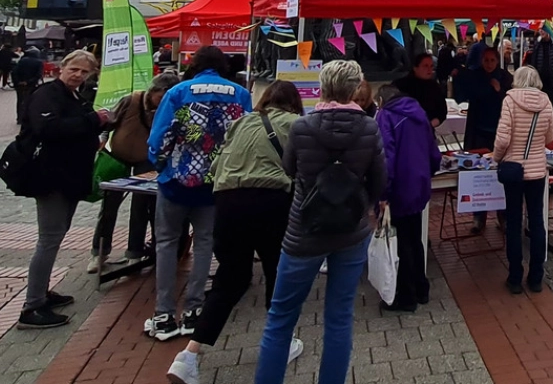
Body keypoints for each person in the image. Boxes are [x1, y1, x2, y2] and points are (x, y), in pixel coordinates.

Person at [253, 60, 386, 384]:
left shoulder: (302, 126)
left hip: (304, 231)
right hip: (351, 232)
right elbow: (381, 182)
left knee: (281, 318)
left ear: (323, 86)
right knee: (339, 319)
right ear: (355, 89)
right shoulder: (369, 127)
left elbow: (288, 169)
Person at [167, 82, 306, 384]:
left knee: (230, 280)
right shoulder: (297, 124)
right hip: (272, 201)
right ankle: (282, 342)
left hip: (228, 203)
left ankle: (188, 356)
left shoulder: (241, 122)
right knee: (277, 272)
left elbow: (217, 163)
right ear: (294, 102)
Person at [144, 45, 253, 341]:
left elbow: (160, 136)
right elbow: (245, 136)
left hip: (176, 180)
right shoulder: (240, 95)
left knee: (166, 243)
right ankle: (194, 309)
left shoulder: (178, 92)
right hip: (215, 180)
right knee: (205, 242)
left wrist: (161, 163)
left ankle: (164, 313)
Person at [17, 50, 110, 329]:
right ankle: (32, 307)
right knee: (49, 238)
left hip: (68, 177)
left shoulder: (74, 97)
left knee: (56, 235)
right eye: (74, 69)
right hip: (49, 177)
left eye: (85, 72)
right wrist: (94, 121)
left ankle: (42, 291)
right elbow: (49, 128)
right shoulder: (47, 94)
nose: (78, 75)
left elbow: (80, 127)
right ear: (62, 67)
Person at [90, 72, 178, 273]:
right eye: (161, 97)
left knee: (141, 207)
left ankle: (134, 254)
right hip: (118, 158)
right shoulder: (131, 100)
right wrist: (102, 138)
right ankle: (99, 253)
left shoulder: (170, 107)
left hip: (145, 161)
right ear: (154, 91)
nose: (162, 102)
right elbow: (110, 122)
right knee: (109, 207)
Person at [376, 82, 441, 310]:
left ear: (381, 101)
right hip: (419, 184)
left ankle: (406, 297)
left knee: (401, 242)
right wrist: (428, 172)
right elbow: (433, 149)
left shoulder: (385, 116)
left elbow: (386, 157)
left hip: (400, 187)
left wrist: (383, 193)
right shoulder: (418, 113)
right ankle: (421, 288)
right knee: (415, 239)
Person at [494, 66, 553, 294]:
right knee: (537, 221)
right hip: (537, 170)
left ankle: (515, 276)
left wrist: (497, 158)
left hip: (513, 169)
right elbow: (549, 137)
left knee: (513, 221)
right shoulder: (546, 102)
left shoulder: (510, 100)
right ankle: (536, 276)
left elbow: (502, 138)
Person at [460, 45, 510, 232]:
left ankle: (502, 215)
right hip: (479, 130)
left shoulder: (505, 77)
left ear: (497, 61)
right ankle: (478, 217)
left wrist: (498, 90)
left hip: (499, 132)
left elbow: (509, 102)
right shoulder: (475, 76)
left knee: (500, 175)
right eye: (486, 60)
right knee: (478, 174)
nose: (489, 64)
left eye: (492, 60)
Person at [395, 53, 449, 129]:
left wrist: (428, 125)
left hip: (427, 132)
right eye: (425, 66)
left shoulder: (435, 86)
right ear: (415, 68)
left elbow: (442, 112)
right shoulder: (400, 85)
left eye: (431, 66)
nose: (429, 70)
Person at [12, 46, 44, 119]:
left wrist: (18, 81)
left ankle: (19, 117)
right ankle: (27, 117)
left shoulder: (22, 60)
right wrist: (28, 81)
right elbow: (38, 75)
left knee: (20, 100)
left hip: (20, 85)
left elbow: (14, 72)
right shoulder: (38, 62)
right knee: (30, 100)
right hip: (31, 85)